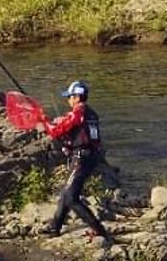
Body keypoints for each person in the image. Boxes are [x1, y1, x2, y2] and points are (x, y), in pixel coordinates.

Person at [38, 80, 111, 242]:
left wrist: (44, 122)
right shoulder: (92, 114)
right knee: (66, 192)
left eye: (70, 97)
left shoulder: (77, 113)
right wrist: (70, 145)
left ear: (77, 97)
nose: (68, 100)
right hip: (90, 157)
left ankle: (99, 230)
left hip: (81, 159)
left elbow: (56, 131)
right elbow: (90, 138)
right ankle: (54, 227)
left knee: (71, 197)